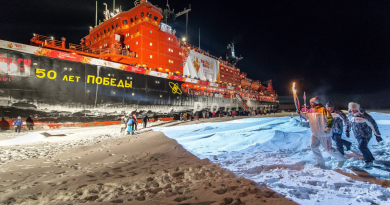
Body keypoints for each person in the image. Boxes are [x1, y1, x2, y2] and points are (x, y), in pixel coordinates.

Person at [298, 97, 345, 168]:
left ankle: (341, 159)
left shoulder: (323, 110)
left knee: (328, 149)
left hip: (324, 133)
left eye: (312, 102)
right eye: (310, 102)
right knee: (313, 147)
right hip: (314, 133)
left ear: (316, 102)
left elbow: (330, 119)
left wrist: (328, 128)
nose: (311, 104)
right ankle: (320, 163)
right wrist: (300, 113)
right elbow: (306, 117)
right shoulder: (310, 110)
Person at [349, 102, 382, 169]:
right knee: (364, 147)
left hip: (365, 135)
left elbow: (373, 125)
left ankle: (368, 162)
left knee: (361, 147)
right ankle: (371, 158)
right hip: (358, 135)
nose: (352, 111)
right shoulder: (351, 116)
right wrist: (347, 130)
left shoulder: (365, 116)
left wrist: (377, 135)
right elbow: (350, 124)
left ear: (358, 109)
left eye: (354, 109)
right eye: (351, 109)